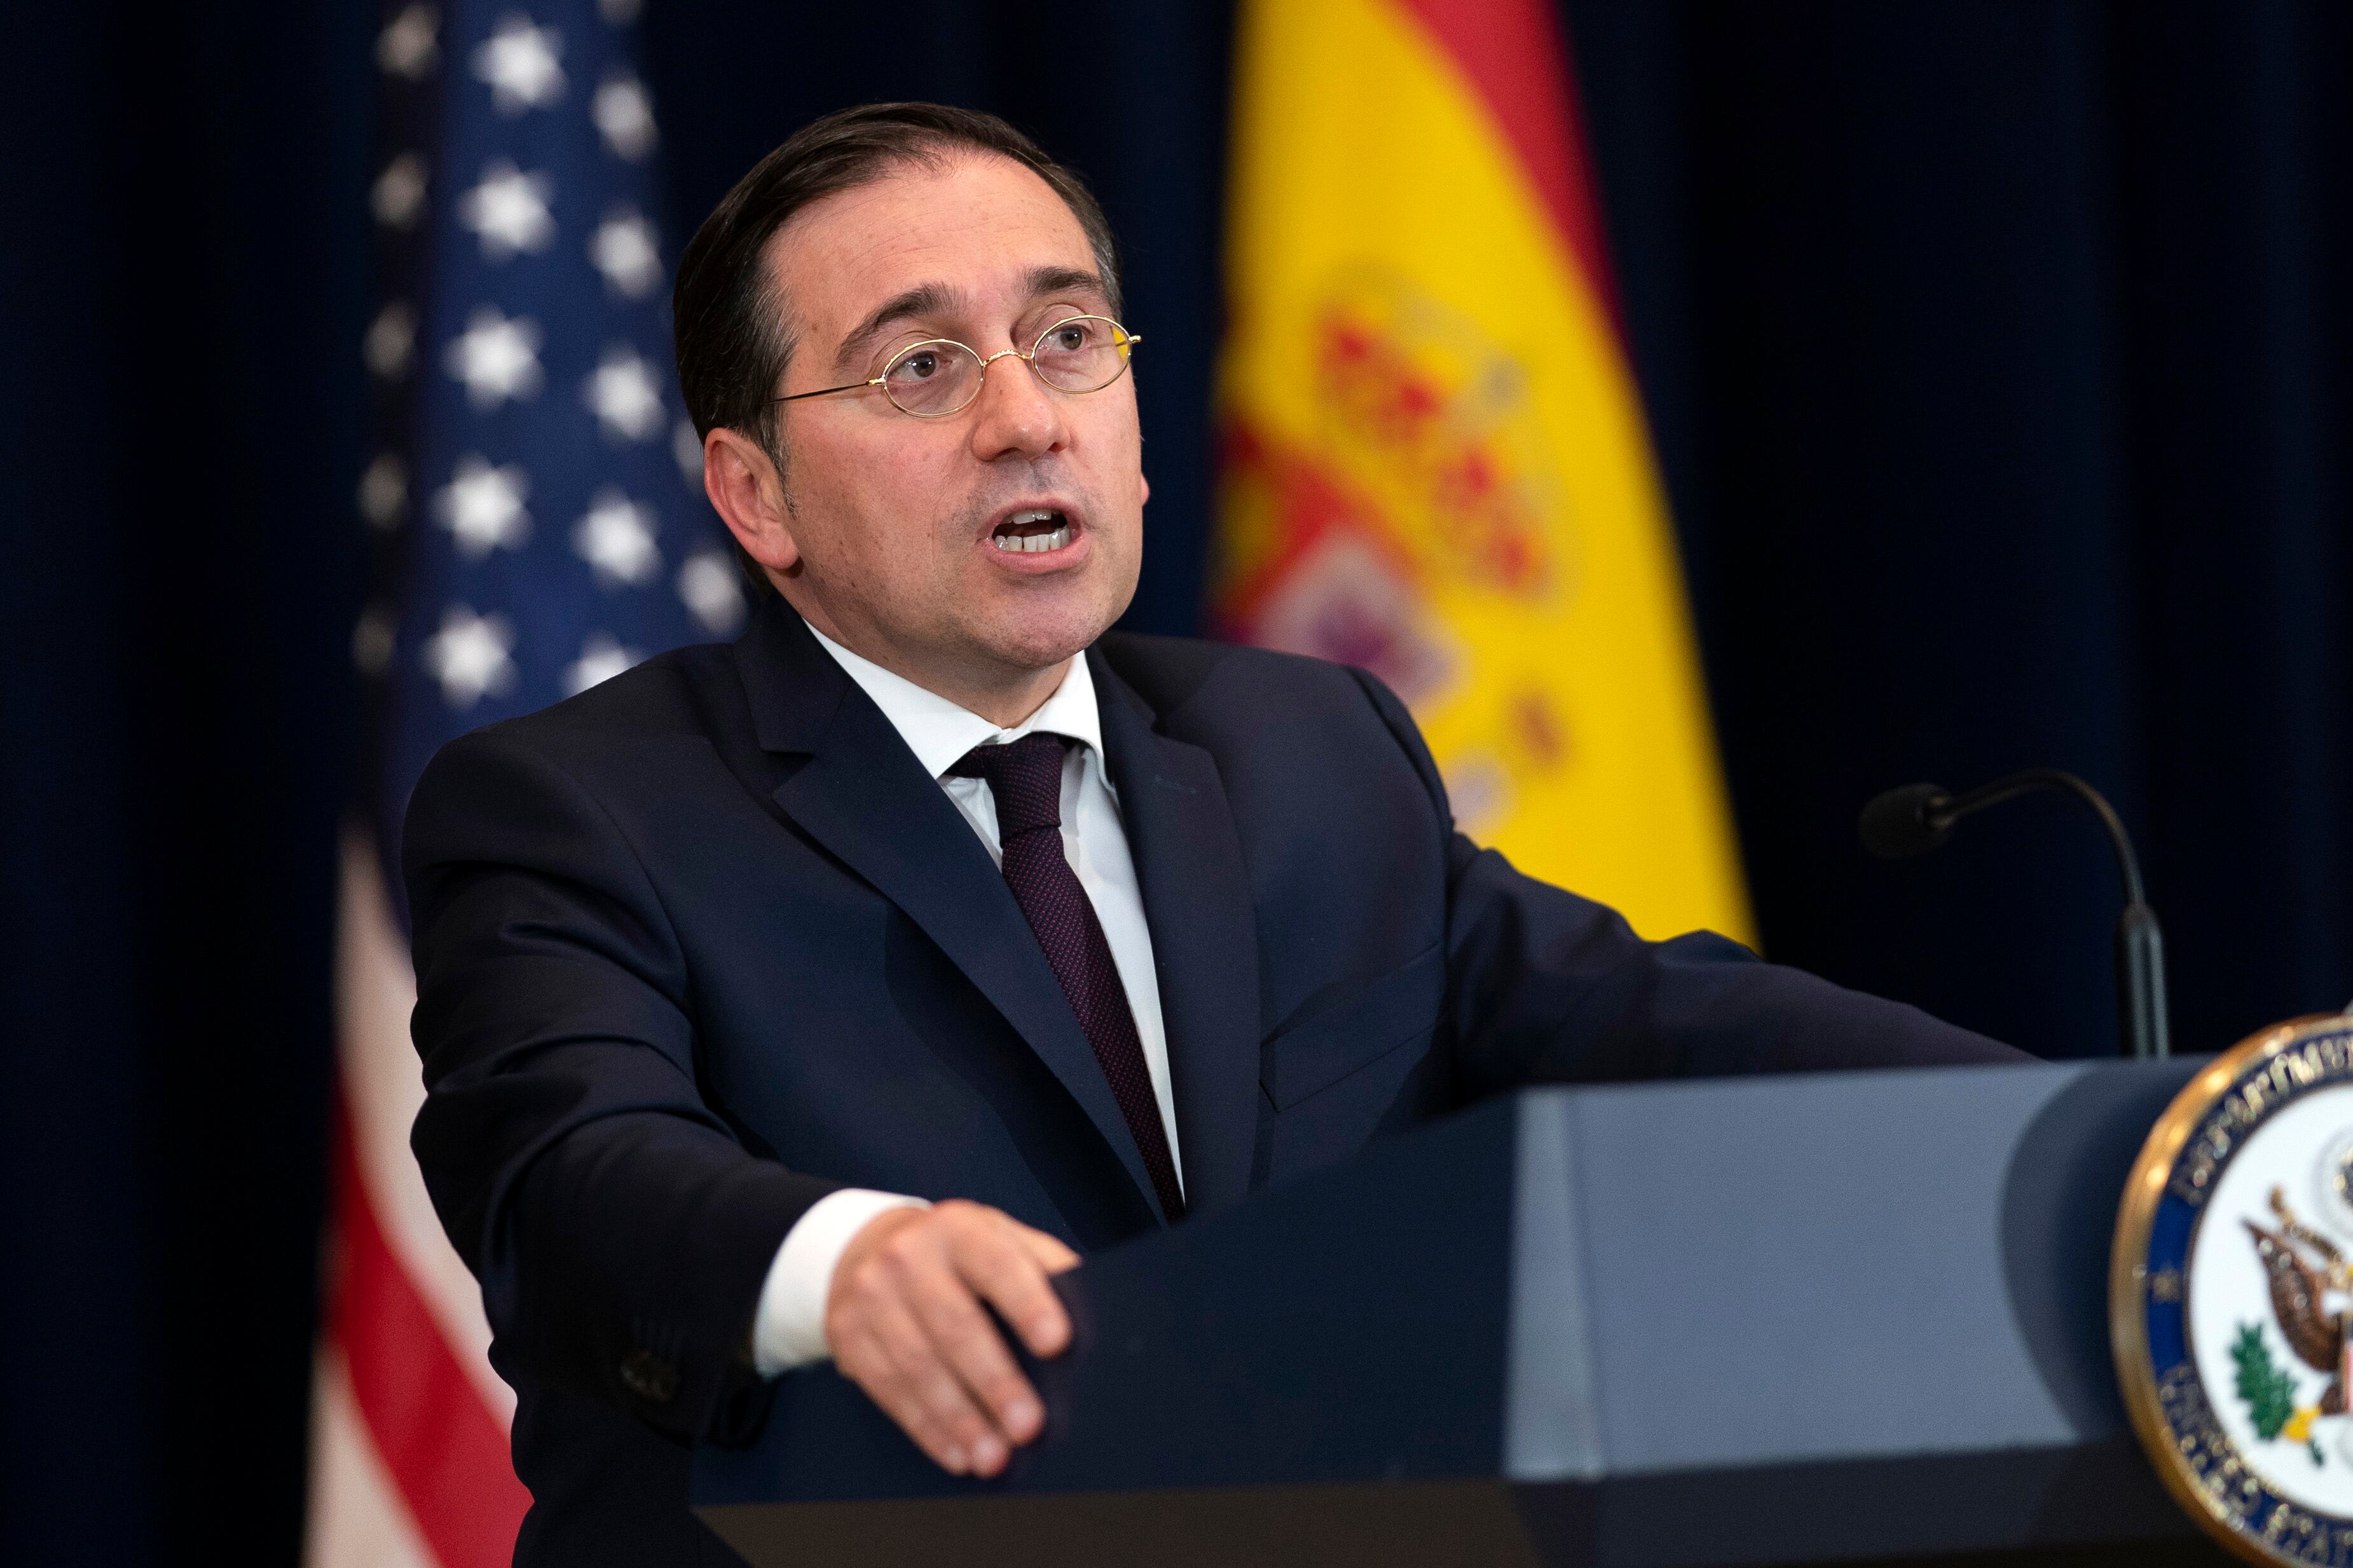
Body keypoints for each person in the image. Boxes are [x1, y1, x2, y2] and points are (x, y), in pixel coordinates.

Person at [403, 101, 2023, 1565]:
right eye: (922, 366)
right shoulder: (582, 809)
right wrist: (841, 1264)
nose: (1026, 418)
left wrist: (2084, 1141)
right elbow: (565, 1178)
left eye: (1068, 336)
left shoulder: (1306, 749)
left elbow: (1662, 1018)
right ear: (755, 498)